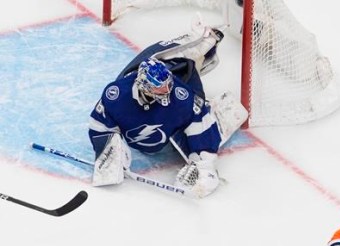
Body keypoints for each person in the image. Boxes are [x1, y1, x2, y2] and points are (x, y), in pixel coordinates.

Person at [88, 17, 248, 198]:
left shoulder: (180, 95)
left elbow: (199, 119)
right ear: (143, 85)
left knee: (190, 114)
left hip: (183, 93)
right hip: (146, 123)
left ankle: (212, 118)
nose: (165, 92)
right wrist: (107, 148)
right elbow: (99, 122)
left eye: (166, 86)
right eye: (158, 88)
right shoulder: (116, 93)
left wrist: (204, 163)